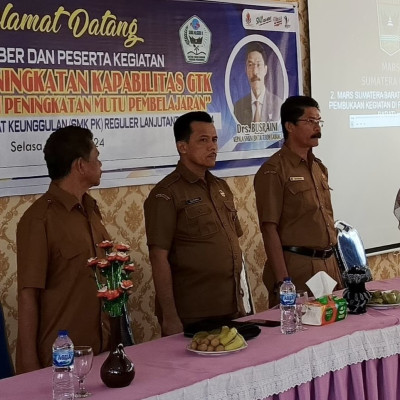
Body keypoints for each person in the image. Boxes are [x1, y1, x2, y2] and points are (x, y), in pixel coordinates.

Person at [16, 126, 111, 373]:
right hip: (61, 362)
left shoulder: (91, 209)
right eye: (96, 157)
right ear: (80, 165)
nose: (101, 164)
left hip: (100, 351)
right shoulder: (39, 219)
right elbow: (28, 295)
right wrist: (29, 364)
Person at [144, 111, 246, 336]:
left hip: (230, 307)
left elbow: (233, 246)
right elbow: (158, 257)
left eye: (214, 139)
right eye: (203, 140)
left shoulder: (220, 187)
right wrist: (170, 317)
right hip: (192, 314)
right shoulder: (166, 194)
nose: (213, 147)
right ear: (182, 147)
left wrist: (241, 302)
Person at [254, 96, 343, 307]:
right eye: (310, 121)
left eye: (319, 121)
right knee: (303, 325)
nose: (317, 128)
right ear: (290, 126)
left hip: (329, 264)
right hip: (298, 266)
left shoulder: (318, 167)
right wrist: (283, 281)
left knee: (336, 324)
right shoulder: (274, 170)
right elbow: (269, 229)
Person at [234, 41, 282, 125]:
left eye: (258, 65)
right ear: (246, 70)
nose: (255, 72)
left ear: (265, 70)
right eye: (250, 65)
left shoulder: (278, 104)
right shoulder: (238, 107)